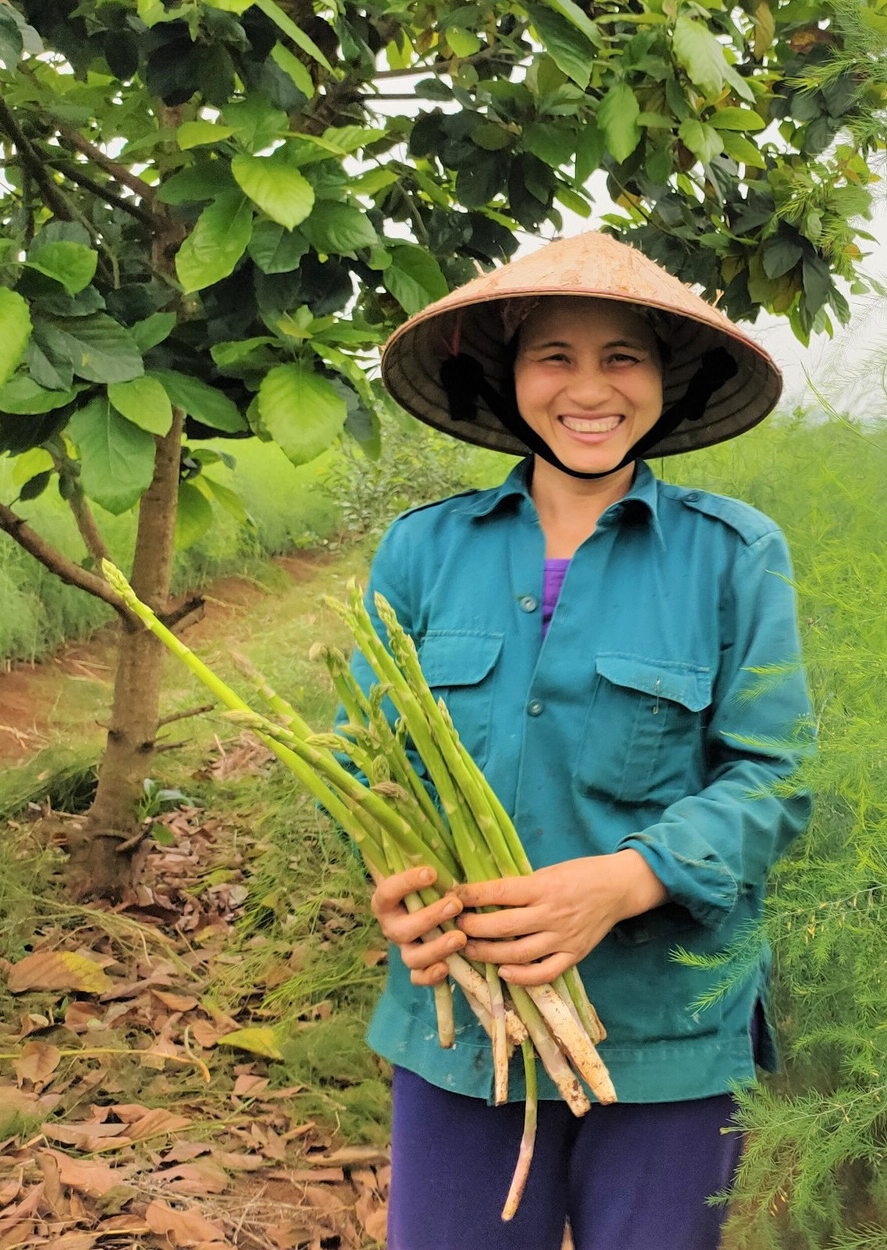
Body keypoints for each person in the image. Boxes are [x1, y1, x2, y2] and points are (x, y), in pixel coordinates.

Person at [353, 232, 812, 1248]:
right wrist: (394, 872)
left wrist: (622, 881)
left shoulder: (733, 556)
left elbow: (775, 778)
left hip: (665, 1027)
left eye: (623, 357)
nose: (587, 387)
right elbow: (364, 759)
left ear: (665, 381)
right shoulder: (424, 549)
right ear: (507, 374)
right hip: (463, 1020)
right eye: (553, 354)